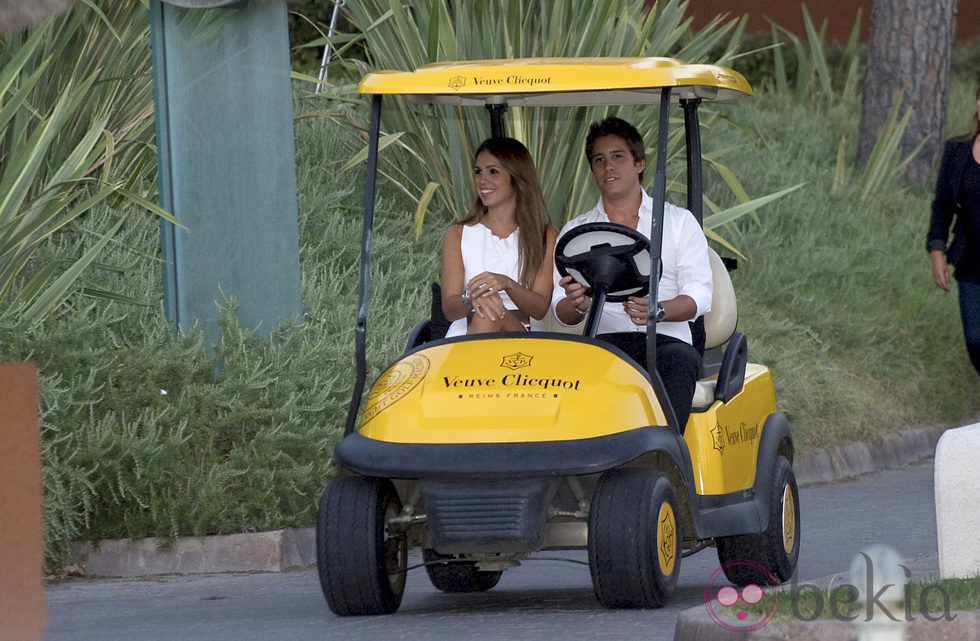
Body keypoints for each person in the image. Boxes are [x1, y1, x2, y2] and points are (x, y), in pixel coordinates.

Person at [551, 117, 713, 430]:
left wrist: (659, 310)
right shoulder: (576, 232)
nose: (607, 167)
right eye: (599, 160)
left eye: (617, 156)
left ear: (639, 163)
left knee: (677, 364)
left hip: (666, 342)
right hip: (605, 345)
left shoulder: (678, 222)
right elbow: (560, 309)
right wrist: (577, 304)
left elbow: (701, 294)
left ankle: (663, 460)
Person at [441, 137, 558, 336]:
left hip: (522, 339)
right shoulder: (458, 234)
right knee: (486, 314)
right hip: (467, 330)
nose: (482, 180)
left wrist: (507, 284)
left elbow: (539, 309)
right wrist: (473, 299)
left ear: (517, 177)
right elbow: (450, 309)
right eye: (478, 172)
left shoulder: (545, 236)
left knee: (490, 315)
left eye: (493, 171)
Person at [928, 85, 980, 376]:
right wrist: (937, 250)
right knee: (975, 340)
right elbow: (942, 205)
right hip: (971, 263)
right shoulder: (957, 150)